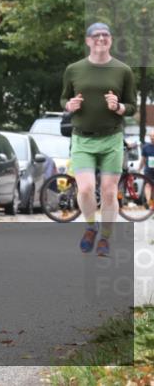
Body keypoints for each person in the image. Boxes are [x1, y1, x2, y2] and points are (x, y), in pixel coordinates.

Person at [61, 22, 136, 258]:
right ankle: (91, 226)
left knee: (109, 192)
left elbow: (132, 106)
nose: (101, 39)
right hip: (82, 138)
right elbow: (64, 98)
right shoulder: (74, 69)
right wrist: (69, 106)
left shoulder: (123, 70)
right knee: (84, 190)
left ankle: (105, 237)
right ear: (88, 41)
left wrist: (119, 106)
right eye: (96, 35)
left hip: (112, 138)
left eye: (105, 35)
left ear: (111, 40)